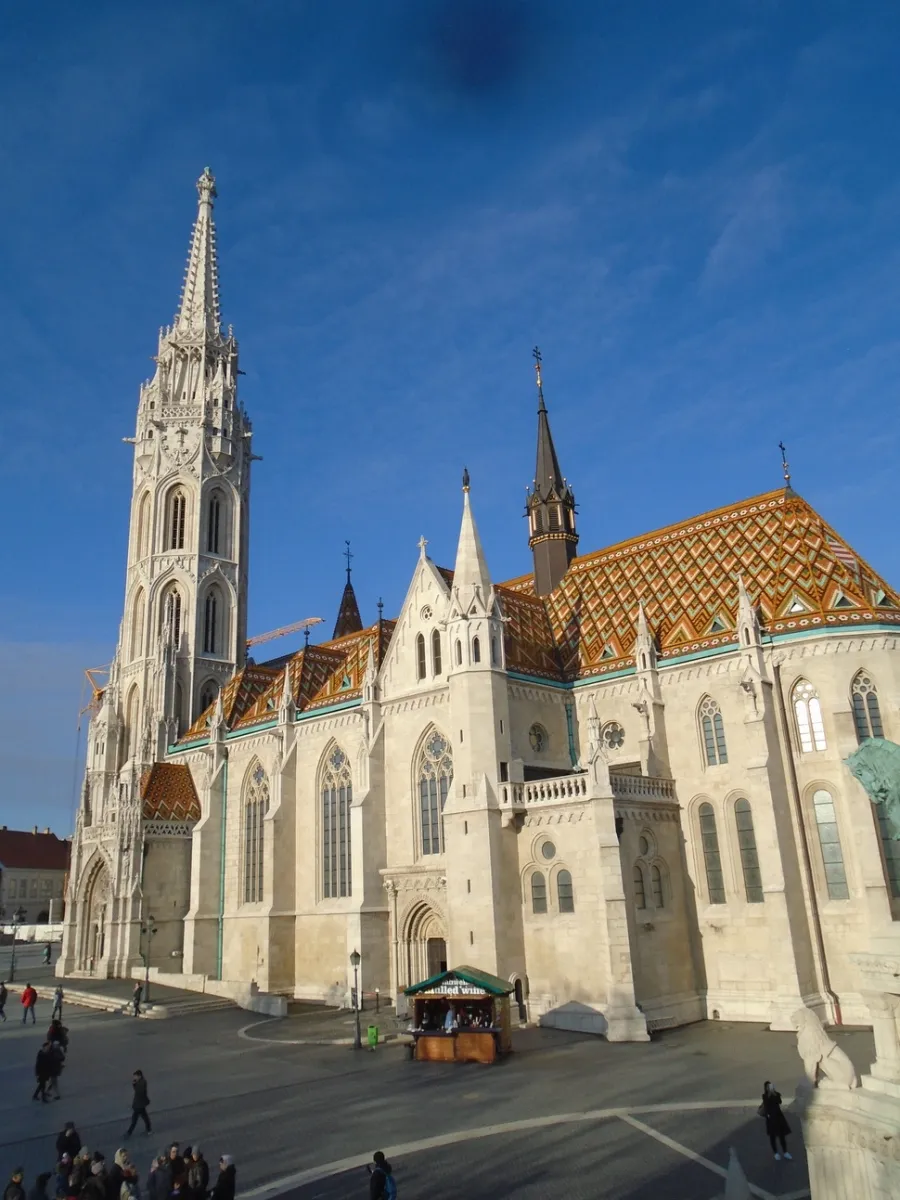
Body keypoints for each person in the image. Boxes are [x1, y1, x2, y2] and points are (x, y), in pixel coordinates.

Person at [760, 1081, 792, 1161]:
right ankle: (776, 1153)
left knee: (782, 1136)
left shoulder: (776, 1094)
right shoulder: (765, 1096)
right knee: (772, 1137)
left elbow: (779, 1101)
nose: (770, 1088)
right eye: (768, 1087)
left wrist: (774, 1093)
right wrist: (770, 1094)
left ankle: (785, 1152)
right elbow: (766, 1104)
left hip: (778, 1117)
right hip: (771, 1119)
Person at [124, 1070, 152, 1138]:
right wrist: (134, 1084)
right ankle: (148, 1130)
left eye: (135, 1076)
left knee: (135, 1120)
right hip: (139, 1105)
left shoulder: (142, 1082)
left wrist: (135, 1084)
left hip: (139, 1105)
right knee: (144, 1118)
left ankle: (129, 1133)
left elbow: (139, 1092)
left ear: (139, 1076)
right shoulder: (140, 1081)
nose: (134, 1077)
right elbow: (137, 1091)